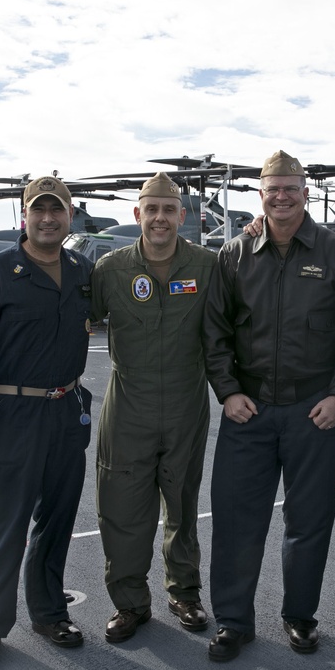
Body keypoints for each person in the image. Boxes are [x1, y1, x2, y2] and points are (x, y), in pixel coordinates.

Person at [202, 150, 335, 661]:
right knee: (236, 520)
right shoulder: (234, 254)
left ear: (305, 192)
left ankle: (299, 616)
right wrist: (228, 391)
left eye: (290, 187)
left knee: (309, 520)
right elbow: (215, 331)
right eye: (272, 188)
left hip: (312, 413)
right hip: (248, 413)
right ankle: (233, 622)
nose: (281, 196)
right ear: (261, 195)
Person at [0, 175, 94, 670]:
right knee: (2, 527)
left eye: (57, 210)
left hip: (66, 410)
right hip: (14, 414)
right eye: (40, 210)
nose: (49, 218)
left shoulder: (81, 269)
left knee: (56, 523)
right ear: (25, 216)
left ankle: (50, 614)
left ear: (70, 217)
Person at [89, 171, 216, 643]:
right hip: (128, 406)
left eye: (169, 209)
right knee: (123, 508)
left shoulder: (207, 266)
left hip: (187, 403)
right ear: (137, 213)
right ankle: (130, 604)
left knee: (182, 504)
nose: (160, 218)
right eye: (152, 209)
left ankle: (184, 593)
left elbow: (226, 332)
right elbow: (71, 321)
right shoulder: (110, 269)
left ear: (182, 216)